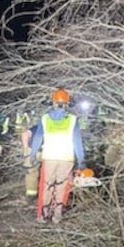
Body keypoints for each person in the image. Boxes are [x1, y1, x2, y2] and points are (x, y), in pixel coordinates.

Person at [29, 89, 85, 224]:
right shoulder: (72, 120)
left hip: (49, 157)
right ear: (67, 103)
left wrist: (33, 154)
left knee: (47, 184)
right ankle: (57, 213)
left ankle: (44, 212)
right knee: (62, 185)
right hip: (66, 158)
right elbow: (77, 141)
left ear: (53, 102)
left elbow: (37, 137)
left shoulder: (45, 118)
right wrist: (82, 160)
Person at [20, 123, 40, 201]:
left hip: (32, 150)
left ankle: (31, 195)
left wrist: (26, 149)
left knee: (31, 173)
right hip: (47, 152)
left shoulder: (38, 126)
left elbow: (24, 134)